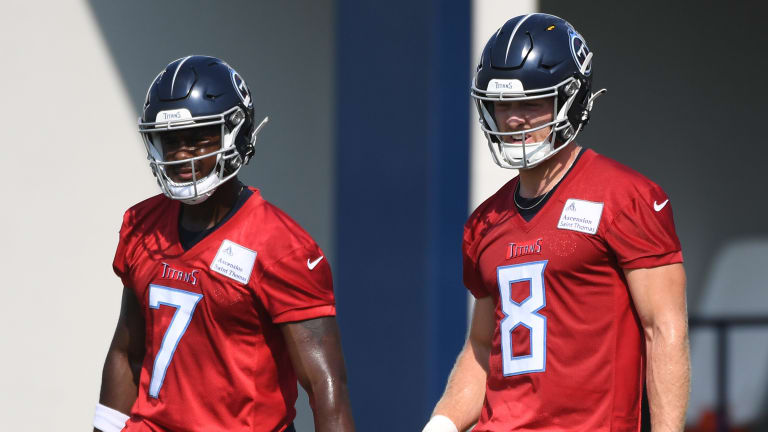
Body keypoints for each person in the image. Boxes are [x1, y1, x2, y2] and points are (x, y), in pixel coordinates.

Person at [422, 13, 689, 432]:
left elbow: (665, 329)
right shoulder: (484, 222)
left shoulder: (626, 198)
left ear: (572, 98)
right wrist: (442, 423)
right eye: (503, 104)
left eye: (531, 101)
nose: (513, 119)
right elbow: (481, 347)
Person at [93, 56, 355, 432]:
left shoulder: (283, 247)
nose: (182, 154)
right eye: (171, 141)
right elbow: (127, 352)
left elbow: (326, 387)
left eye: (198, 137)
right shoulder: (142, 225)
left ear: (235, 133)